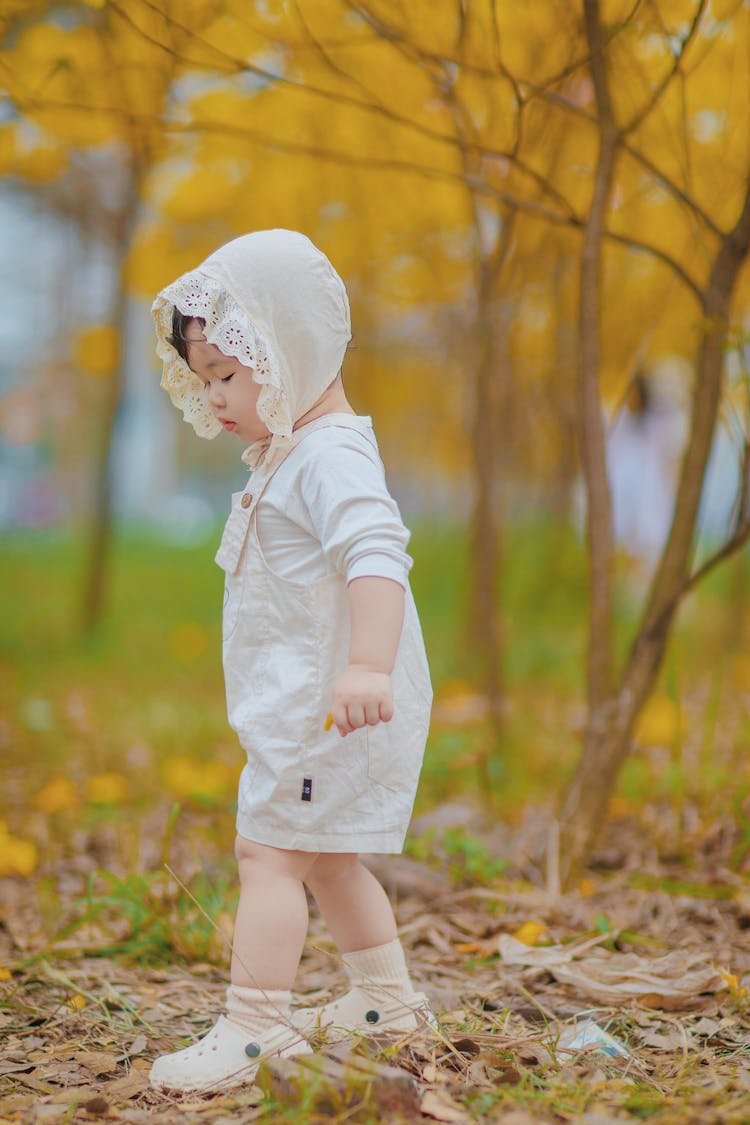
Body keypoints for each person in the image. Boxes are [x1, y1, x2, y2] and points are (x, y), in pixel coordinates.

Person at [148, 230, 434, 1093]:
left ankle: (256, 1025)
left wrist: (369, 667)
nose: (216, 397)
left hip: (333, 704)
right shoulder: (297, 450)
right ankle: (387, 997)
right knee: (330, 855)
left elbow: (377, 550)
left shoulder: (329, 455)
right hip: (312, 706)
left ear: (292, 349)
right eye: (205, 380)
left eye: (229, 374)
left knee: (267, 855)